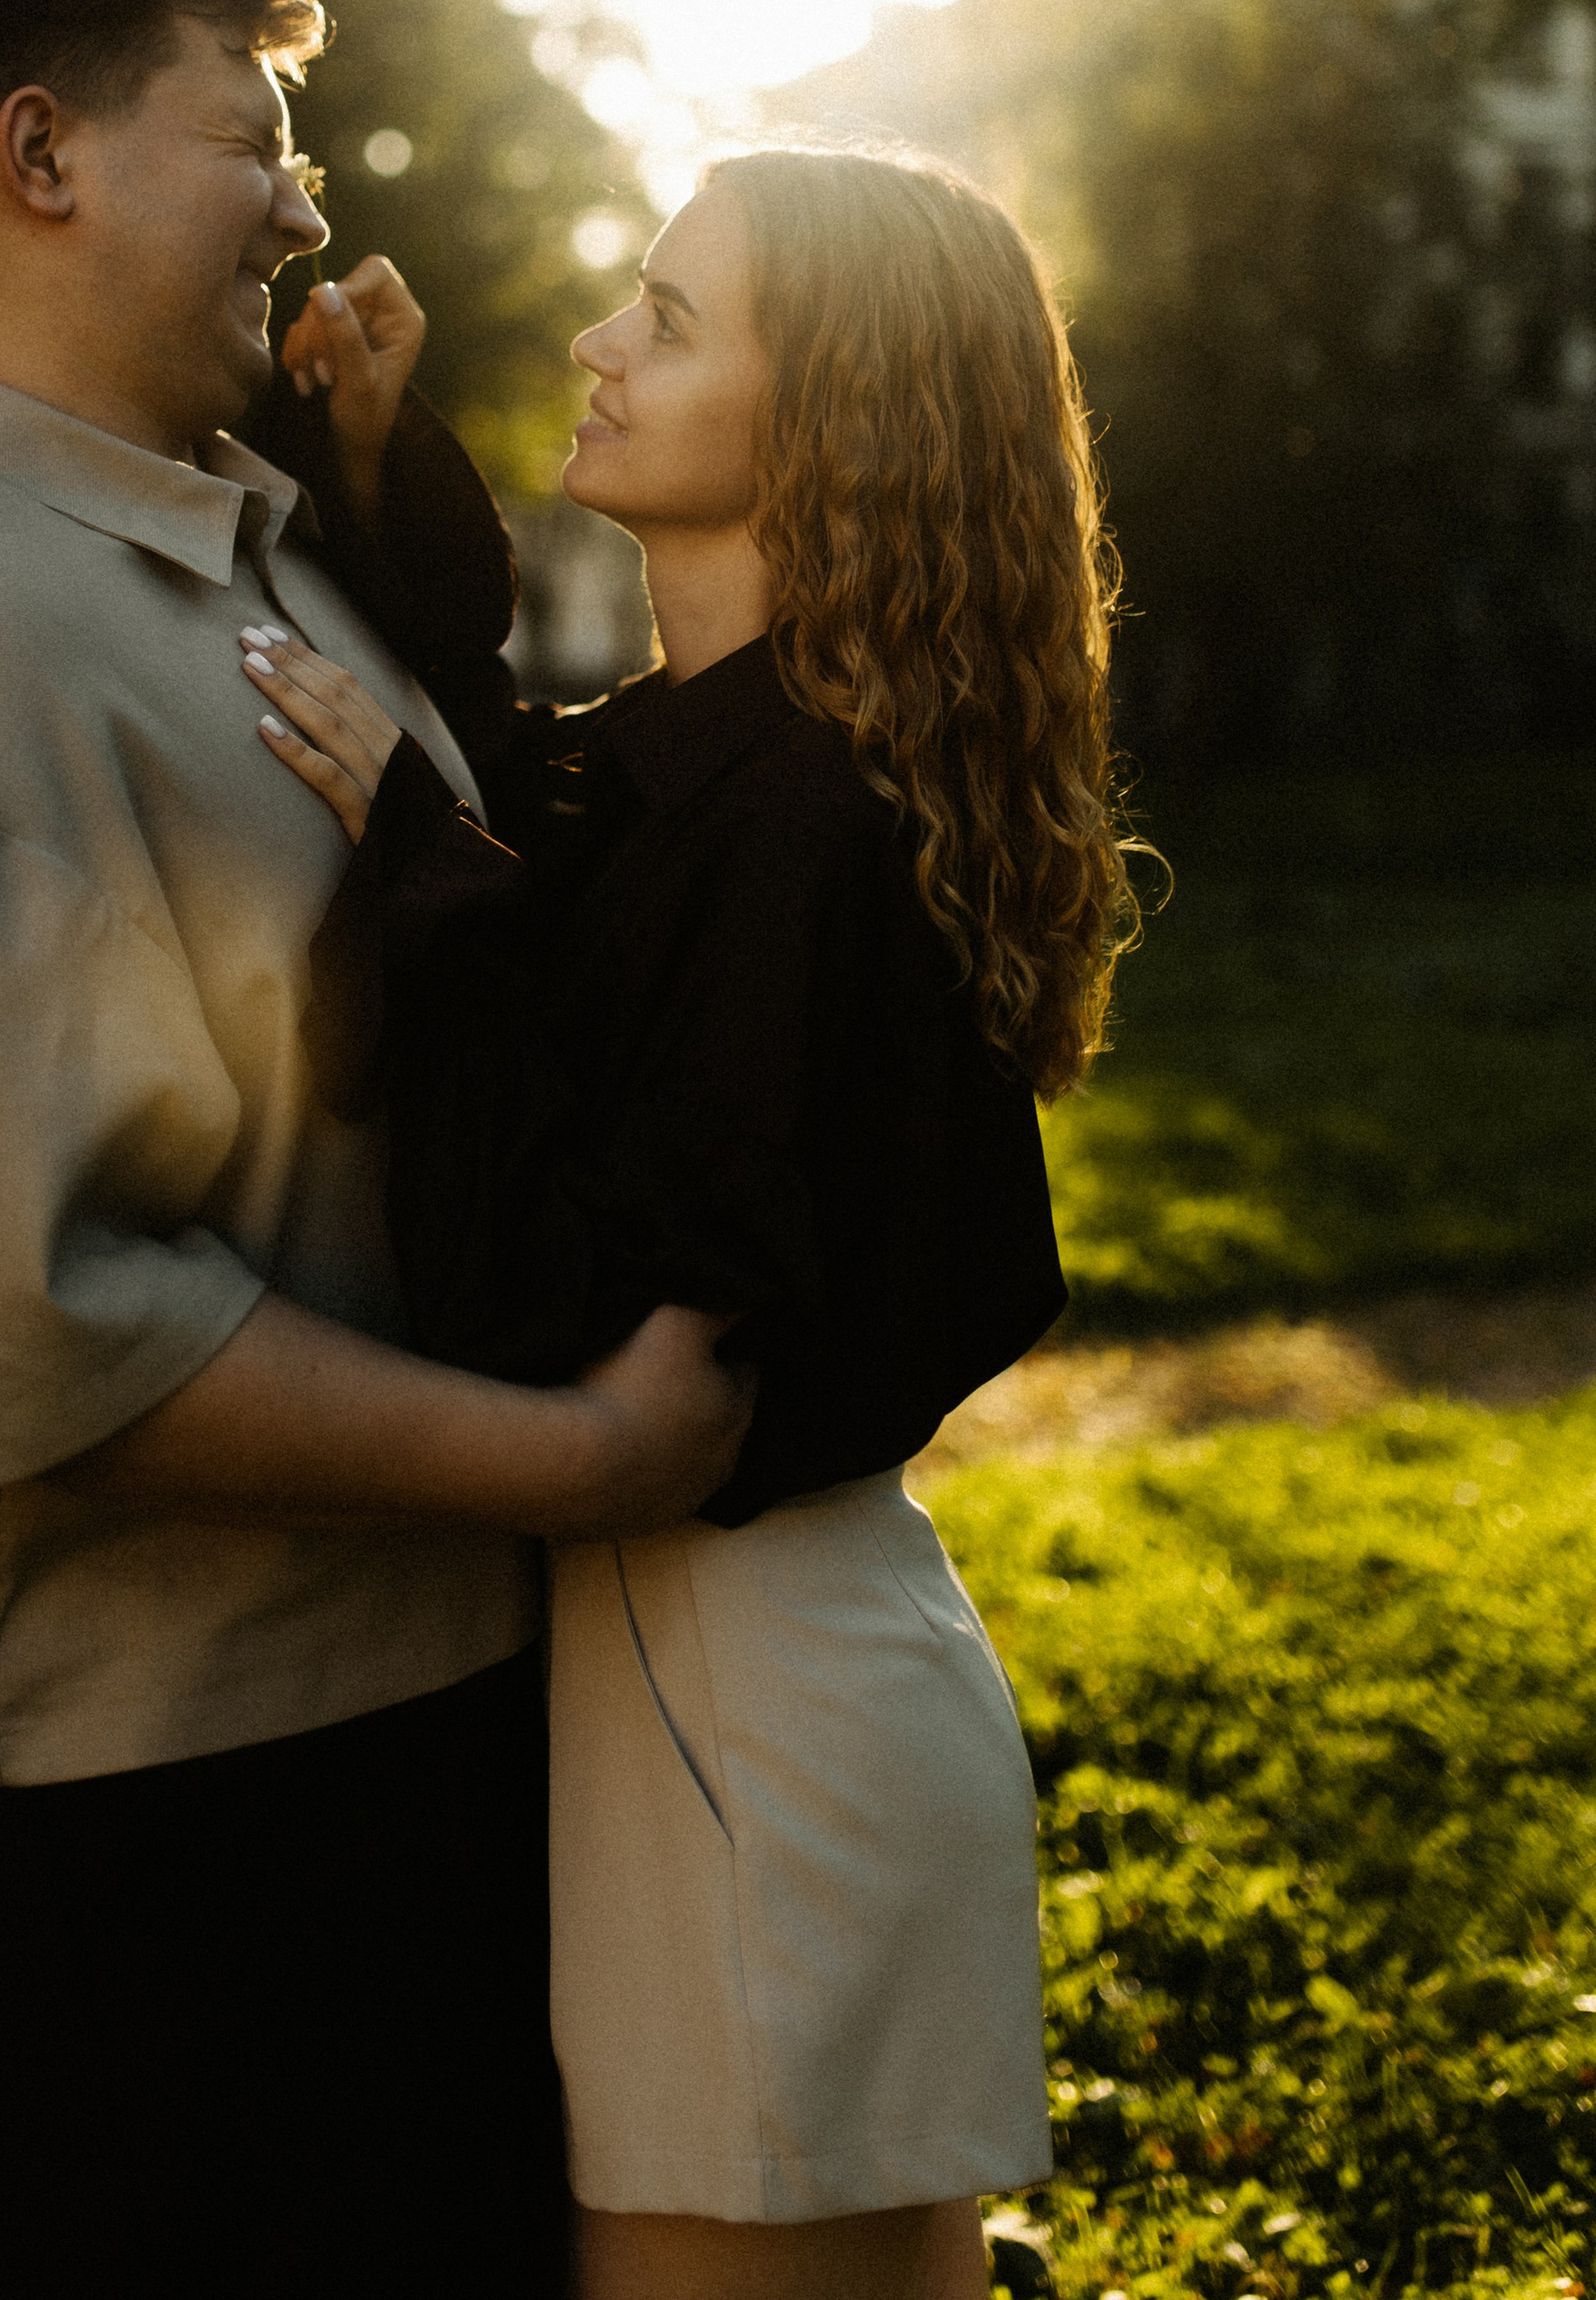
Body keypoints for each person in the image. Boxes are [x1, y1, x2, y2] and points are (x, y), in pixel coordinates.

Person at [0, 0, 751, 2300]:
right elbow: (50, 1343)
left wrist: (384, 474)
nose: (306, 192)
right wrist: (583, 1463)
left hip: (370, 1729)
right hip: (141, 1816)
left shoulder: (212, 556)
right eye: (252, 133)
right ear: (37, 158)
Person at [243, 144, 1145, 2300]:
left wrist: (403, 842)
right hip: (736, 1687)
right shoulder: (715, 769)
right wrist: (370, 466)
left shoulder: (804, 822)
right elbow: (524, 813)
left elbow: (568, 1287)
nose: (590, 340)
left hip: (748, 1713)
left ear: (822, 415)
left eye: (665, 313)